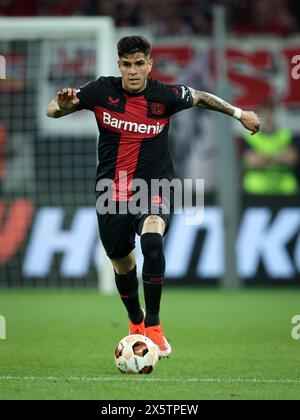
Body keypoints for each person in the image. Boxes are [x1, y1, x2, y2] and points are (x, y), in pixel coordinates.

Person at [46, 35, 260, 358]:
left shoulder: (165, 95)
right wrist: (60, 108)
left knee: (152, 240)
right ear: (119, 65)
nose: (133, 71)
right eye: (127, 65)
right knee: (122, 263)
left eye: (139, 64)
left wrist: (239, 113)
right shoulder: (101, 91)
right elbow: (53, 110)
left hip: (155, 187)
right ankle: (136, 322)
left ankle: (155, 328)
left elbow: (201, 97)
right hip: (111, 191)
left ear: (150, 64)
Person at [241, 99, 299, 195]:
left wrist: (265, 156)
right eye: (266, 112)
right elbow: (252, 160)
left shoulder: (287, 135)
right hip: (257, 191)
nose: (269, 115)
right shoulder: (250, 137)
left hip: (285, 190)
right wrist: (278, 156)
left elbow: (291, 158)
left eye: (271, 111)